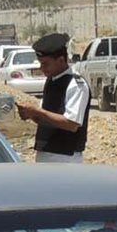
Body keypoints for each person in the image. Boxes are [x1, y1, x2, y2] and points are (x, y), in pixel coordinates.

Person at [16, 32, 89, 163]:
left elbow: (71, 124)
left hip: (65, 157)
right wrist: (31, 114)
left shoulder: (76, 84)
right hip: (46, 153)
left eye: (46, 64)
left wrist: (37, 111)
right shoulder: (52, 80)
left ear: (61, 60)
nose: (42, 68)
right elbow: (48, 119)